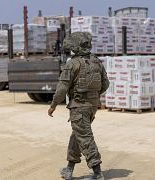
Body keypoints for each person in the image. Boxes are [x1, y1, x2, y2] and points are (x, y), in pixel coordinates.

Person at [48, 32, 109, 180]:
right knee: (77, 135)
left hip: (79, 106)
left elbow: (62, 88)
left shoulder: (72, 64)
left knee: (85, 137)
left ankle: (97, 172)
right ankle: (69, 168)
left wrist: (53, 105)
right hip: (92, 106)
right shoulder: (96, 61)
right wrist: (93, 97)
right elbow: (106, 83)